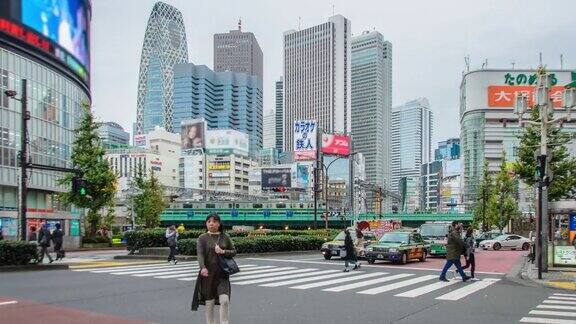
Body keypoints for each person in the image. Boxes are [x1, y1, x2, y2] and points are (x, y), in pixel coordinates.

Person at [192, 214, 236, 324]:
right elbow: (200, 254)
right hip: (208, 275)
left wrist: (223, 251)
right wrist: (202, 267)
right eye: (209, 221)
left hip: (222, 274)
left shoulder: (225, 237)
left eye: (214, 221)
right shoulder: (202, 238)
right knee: (209, 303)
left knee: (224, 300)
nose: (211, 223)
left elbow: (234, 251)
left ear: (219, 224)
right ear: (206, 223)